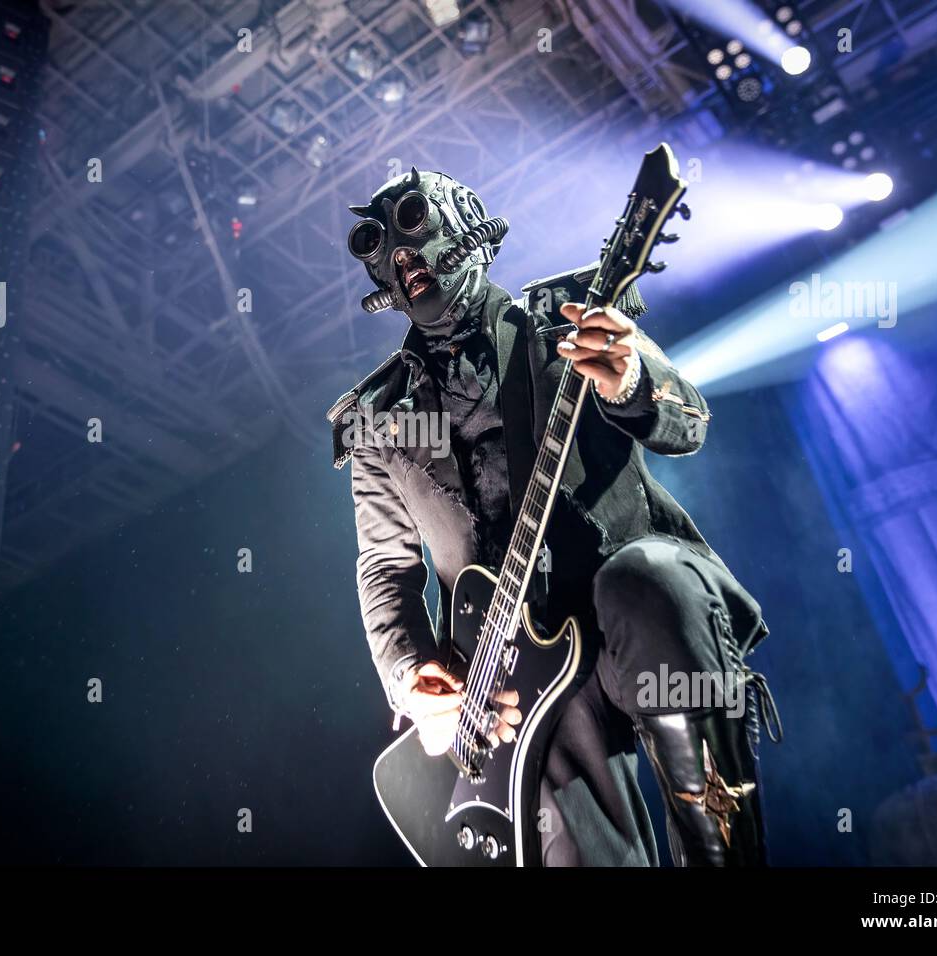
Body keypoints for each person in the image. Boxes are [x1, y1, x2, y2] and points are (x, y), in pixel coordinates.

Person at [328, 167, 779, 866]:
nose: (402, 256)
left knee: (649, 580)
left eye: (414, 227)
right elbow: (386, 565)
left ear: (466, 226)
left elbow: (687, 422)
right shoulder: (377, 417)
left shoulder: (571, 311)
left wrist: (632, 381)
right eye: (382, 248)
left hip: (628, 609)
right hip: (512, 672)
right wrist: (410, 676)